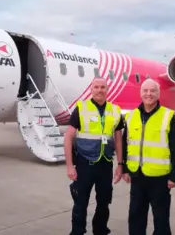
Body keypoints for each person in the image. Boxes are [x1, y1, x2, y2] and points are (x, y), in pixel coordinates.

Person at [64, 77, 125, 235]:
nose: (99, 90)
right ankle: (77, 231)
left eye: (102, 87)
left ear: (107, 90)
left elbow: (118, 139)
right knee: (80, 203)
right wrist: (70, 165)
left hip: (105, 164)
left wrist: (120, 164)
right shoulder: (81, 108)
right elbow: (68, 137)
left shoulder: (115, 110)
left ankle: (100, 230)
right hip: (85, 164)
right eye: (96, 87)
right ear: (91, 89)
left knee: (104, 202)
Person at [121, 78, 175, 235]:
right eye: (145, 90)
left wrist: (174, 177)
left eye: (153, 91)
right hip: (137, 176)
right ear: (140, 93)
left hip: (160, 178)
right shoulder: (131, 116)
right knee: (135, 217)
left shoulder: (168, 116)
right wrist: (125, 170)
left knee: (161, 220)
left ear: (158, 93)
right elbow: (125, 144)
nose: (149, 94)